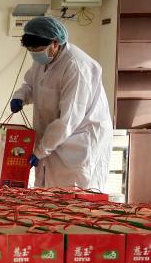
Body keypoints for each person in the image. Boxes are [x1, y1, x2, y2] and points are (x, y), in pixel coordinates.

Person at [10, 15, 113, 190]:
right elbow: (32, 84)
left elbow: (68, 120)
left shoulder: (76, 67)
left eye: (38, 49)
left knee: (73, 195)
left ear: (55, 43)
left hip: (77, 144)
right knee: (47, 192)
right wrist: (20, 96)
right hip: (53, 140)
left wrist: (40, 151)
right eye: (31, 50)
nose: (35, 54)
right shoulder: (44, 60)